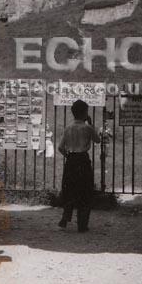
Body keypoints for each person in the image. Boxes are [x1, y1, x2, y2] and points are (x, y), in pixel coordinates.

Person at [57, 99, 101, 232]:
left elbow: (60, 147)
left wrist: (68, 156)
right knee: (85, 190)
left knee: (69, 189)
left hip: (71, 160)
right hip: (82, 159)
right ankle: (82, 224)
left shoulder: (68, 128)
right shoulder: (87, 128)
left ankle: (66, 216)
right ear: (85, 113)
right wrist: (91, 123)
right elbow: (97, 140)